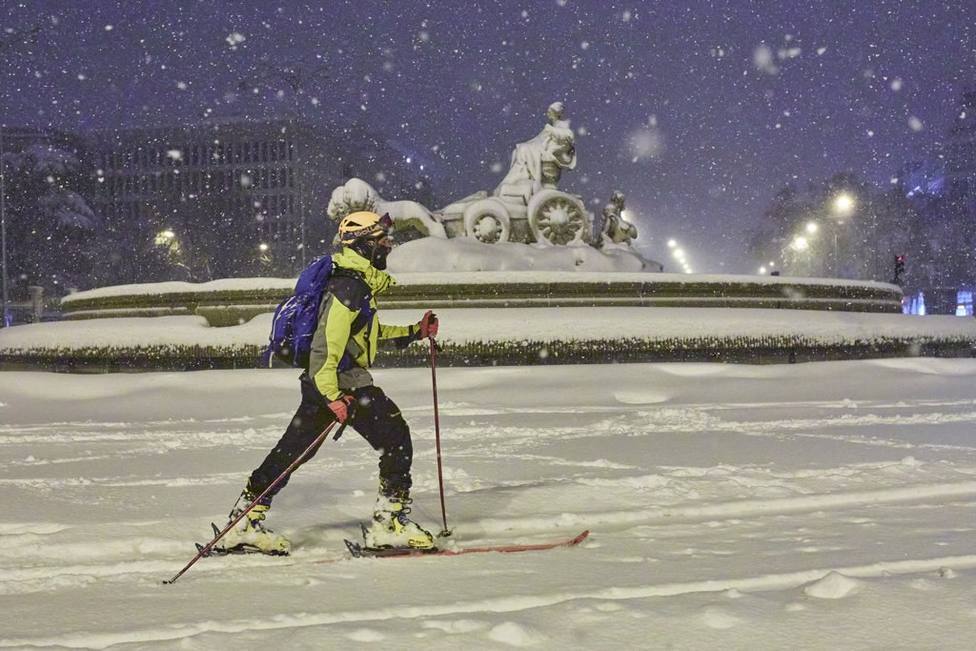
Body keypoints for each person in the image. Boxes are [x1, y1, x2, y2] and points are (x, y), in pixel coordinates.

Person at [216, 210, 440, 555]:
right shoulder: (349, 286)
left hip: (327, 383)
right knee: (396, 438)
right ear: (365, 245)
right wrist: (333, 396)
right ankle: (389, 524)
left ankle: (243, 522)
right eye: (382, 241)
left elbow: (366, 337)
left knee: (291, 452)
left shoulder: (353, 282)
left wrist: (414, 332)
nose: (389, 247)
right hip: (343, 385)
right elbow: (325, 347)